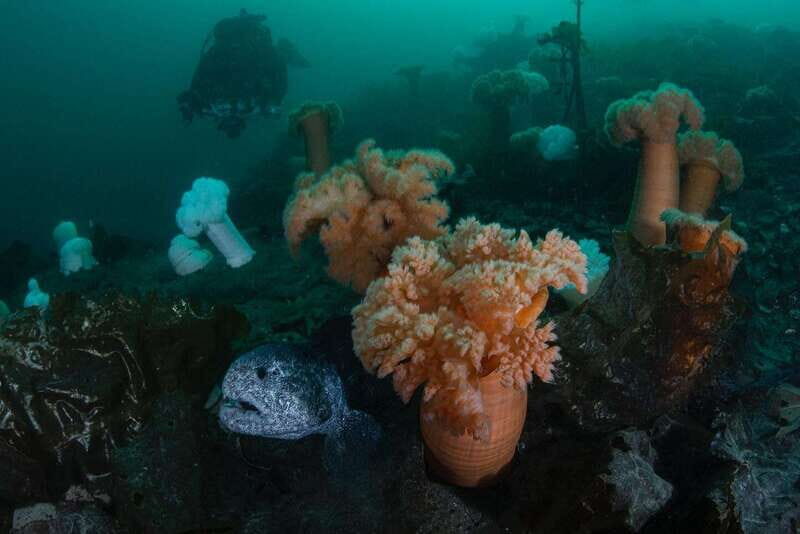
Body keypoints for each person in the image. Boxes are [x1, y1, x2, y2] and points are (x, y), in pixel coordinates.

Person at [178, 10, 306, 138]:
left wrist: (190, 104)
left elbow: (198, 80)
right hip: (254, 63)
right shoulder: (220, 60)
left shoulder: (218, 58)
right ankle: (283, 49)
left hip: (253, 62)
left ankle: (284, 49)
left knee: (270, 61)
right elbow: (278, 76)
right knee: (270, 62)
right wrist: (274, 99)